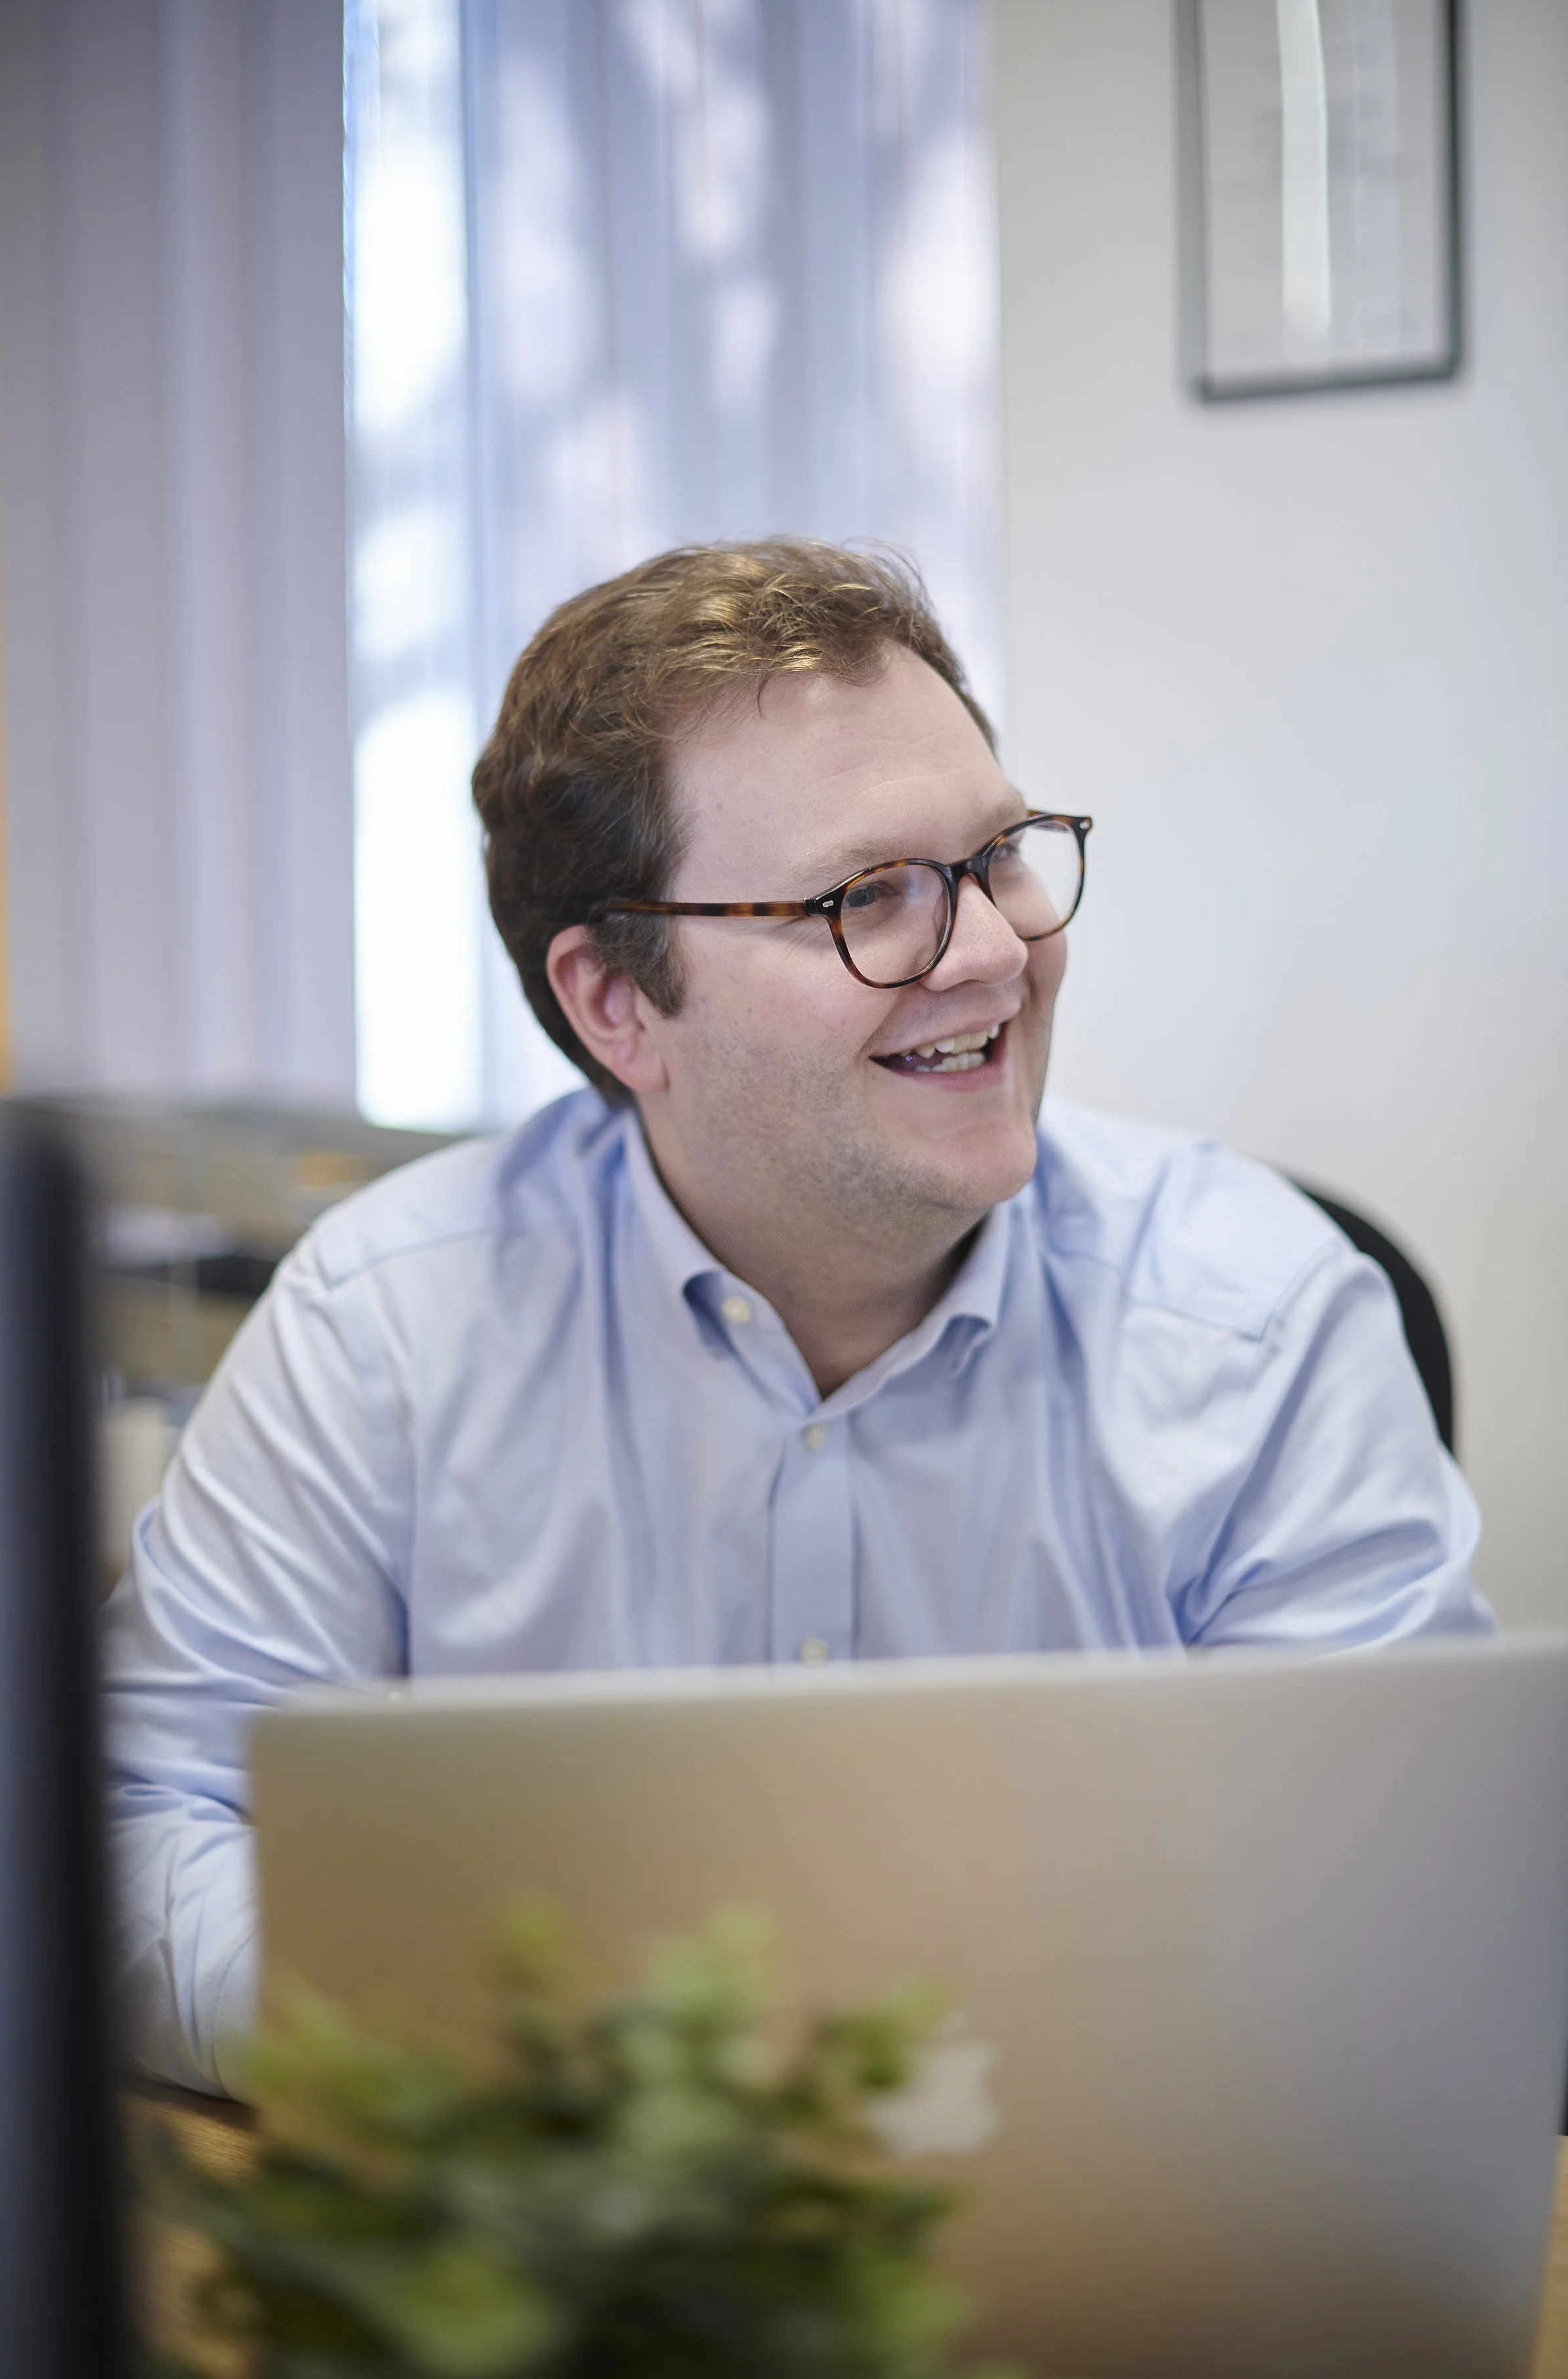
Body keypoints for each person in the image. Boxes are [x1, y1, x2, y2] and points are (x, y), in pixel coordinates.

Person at [104, 540, 1491, 2096]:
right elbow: (134, 1819)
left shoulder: (1262, 1319)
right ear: (619, 1004)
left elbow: (1412, 1929)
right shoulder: (384, 1331)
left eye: (1000, 855)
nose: (988, 954)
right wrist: (479, 2057)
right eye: (865, 898)